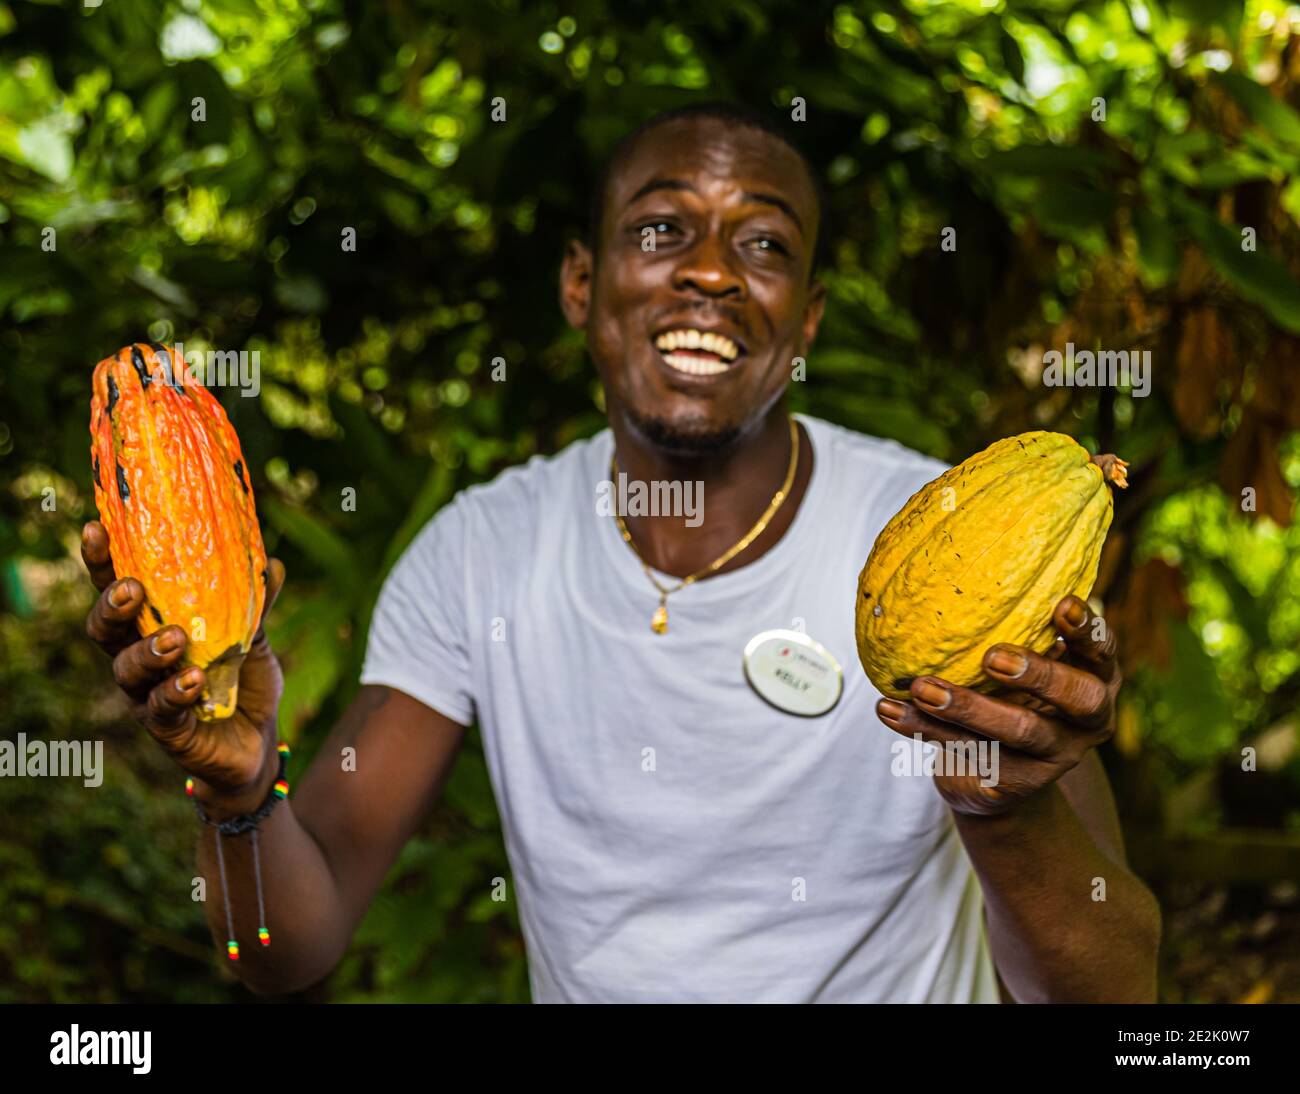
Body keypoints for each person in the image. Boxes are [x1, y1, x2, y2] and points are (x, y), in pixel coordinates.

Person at [81, 101, 1160, 1003]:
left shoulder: (939, 540)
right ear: (578, 287)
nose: (711, 273)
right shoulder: (481, 557)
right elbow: (278, 958)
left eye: (765, 243)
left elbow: (1115, 993)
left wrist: (1001, 803)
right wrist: (235, 796)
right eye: (660, 230)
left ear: (809, 317)